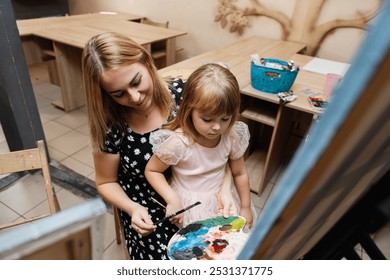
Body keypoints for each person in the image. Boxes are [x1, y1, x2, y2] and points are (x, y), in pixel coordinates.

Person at [81, 32, 235, 260]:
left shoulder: (184, 94)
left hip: (198, 199)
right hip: (149, 211)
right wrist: (132, 208)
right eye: (118, 93)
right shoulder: (111, 127)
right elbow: (105, 181)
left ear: (146, 61)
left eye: (136, 82)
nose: (134, 97)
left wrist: (224, 187)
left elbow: (220, 149)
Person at [145, 63, 256, 229]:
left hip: (223, 202)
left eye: (225, 119)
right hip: (190, 206)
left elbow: (240, 173)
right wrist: (172, 199)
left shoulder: (230, 137)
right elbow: (152, 170)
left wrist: (246, 207)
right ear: (190, 110)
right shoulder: (178, 143)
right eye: (208, 119)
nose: (217, 127)